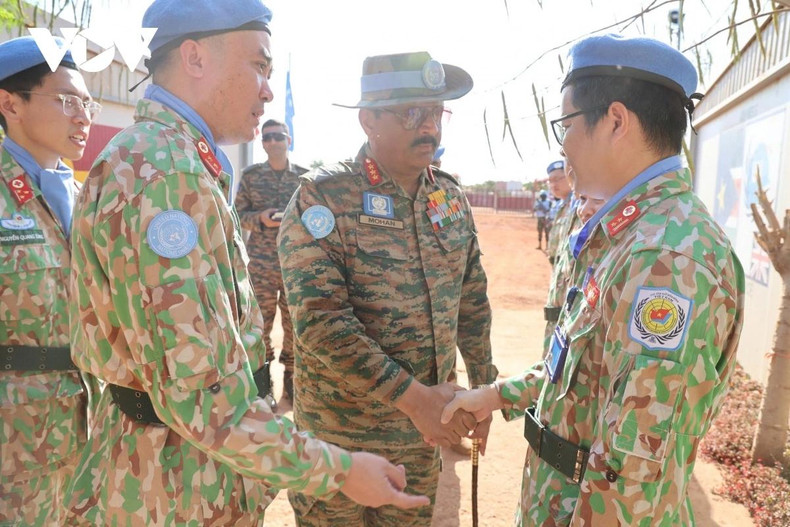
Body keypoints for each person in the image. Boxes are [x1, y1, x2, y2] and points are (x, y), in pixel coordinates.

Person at [65, 2, 429, 525]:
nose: (267, 91)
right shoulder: (166, 175)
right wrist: (341, 470)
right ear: (194, 58)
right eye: (259, 66)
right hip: (174, 484)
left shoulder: (166, 158)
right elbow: (204, 398)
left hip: (177, 467)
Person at [441, 33, 744, 526]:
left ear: (616, 121)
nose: (563, 146)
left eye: (566, 125)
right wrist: (496, 395)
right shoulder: (631, 235)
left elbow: (631, 477)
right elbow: (580, 374)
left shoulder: (665, 259)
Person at [278, 51, 498, 526]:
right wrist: (416, 400)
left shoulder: (449, 198)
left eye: (437, 112)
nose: (430, 127)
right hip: (339, 444)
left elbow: (472, 303)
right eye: (412, 113)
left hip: (420, 443)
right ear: (368, 120)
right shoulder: (324, 196)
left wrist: (482, 390)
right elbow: (320, 321)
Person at [0, 36, 98, 526]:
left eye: (87, 104)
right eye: (66, 101)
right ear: (10, 104)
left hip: (86, 433)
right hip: (12, 444)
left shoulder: (88, 200)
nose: (83, 117)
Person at [236, 118, 306, 403]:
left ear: (289, 140)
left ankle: (291, 380)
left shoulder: (305, 178)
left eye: (278, 136)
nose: (273, 142)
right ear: (262, 143)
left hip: (295, 263)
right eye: (267, 137)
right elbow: (237, 214)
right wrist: (260, 218)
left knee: (295, 325)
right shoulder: (251, 176)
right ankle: (265, 385)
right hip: (261, 264)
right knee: (259, 326)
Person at [545, 160, 573, 266]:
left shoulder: (578, 204)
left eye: (557, 179)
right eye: (550, 181)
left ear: (570, 176)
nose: (553, 185)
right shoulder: (559, 205)